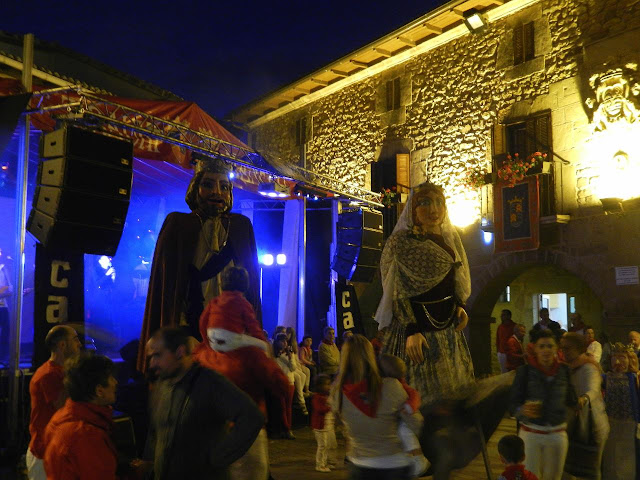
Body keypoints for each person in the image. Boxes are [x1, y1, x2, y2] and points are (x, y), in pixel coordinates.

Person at [137, 155, 261, 370]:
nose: (217, 192)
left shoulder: (241, 227)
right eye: (208, 185)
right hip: (190, 324)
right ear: (195, 189)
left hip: (230, 327)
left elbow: (251, 284)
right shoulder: (179, 224)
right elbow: (168, 285)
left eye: (224, 187)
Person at [374, 181, 473, 406]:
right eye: (425, 203)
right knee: (416, 391)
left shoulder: (448, 239)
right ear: (413, 209)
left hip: (447, 327)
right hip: (416, 327)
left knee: (452, 392)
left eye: (439, 202)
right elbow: (397, 289)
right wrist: (411, 329)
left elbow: (452, 276)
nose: (434, 209)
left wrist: (460, 305)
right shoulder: (401, 243)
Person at [144, 327, 264, 479]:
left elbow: (251, 416)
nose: (152, 364)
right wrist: (150, 464)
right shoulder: (162, 385)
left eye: (157, 355)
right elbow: (155, 431)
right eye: (151, 357)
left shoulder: (210, 382)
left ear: (180, 352)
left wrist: (218, 458)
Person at [193, 304, 292, 479]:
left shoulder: (201, 353)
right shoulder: (250, 354)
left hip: (212, 433)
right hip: (247, 433)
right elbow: (283, 386)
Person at [331, 335, 423, 479]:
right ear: (371, 356)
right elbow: (417, 424)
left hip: (358, 465)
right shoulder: (391, 386)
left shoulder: (337, 392)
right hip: (393, 465)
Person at [509, 329, 577, 480]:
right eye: (541, 346)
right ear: (534, 348)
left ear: (556, 348)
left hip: (557, 434)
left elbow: (572, 400)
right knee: (531, 476)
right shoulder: (524, 372)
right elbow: (512, 405)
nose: (546, 350)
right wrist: (522, 410)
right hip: (531, 434)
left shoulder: (564, 370)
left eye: (550, 346)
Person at [43, 353, 120, 480]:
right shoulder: (85, 435)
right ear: (99, 391)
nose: (115, 382)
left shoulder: (62, 417)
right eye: (111, 378)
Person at [26, 325, 81, 480]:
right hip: (44, 454)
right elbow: (65, 409)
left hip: (53, 450)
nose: (79, 344)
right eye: (75, 339)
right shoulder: (49, 374)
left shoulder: (58, 372)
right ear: (62, 345)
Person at [560, 333, 609, 480]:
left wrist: (583, 399)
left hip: (592, 425)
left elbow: (593, 388)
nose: (564, 351)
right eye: (562, 348)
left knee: (591, 470)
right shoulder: (568, 367)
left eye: (568, 348)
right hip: (575, 424)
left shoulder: (588, 367)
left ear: (578, 348)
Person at [377, 353, 430, 478]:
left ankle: (419, 460)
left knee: (405, 433)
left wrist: (409, 406)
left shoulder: (399, 384)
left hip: (404, 420)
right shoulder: (383, 384)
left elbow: (414, 394)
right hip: (394, 420)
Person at [199, 266, 267, 352]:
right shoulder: (242, 302)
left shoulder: (215, 301)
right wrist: (262, 340)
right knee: (263, 346)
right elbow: (253, 325)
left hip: (212, 339)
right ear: (244, 283)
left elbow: (202, 321)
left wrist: (207, 342)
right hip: (231, 339)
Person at [602, 343, 640, 480]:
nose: (618, 361)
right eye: (615, 357)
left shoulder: (635, 378)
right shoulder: (606, 377)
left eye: (622, 357)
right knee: (610, 456)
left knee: (628, 457)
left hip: (630, 423)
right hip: (610, 422)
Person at [274, 333, 308, 415]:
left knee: (288, 407)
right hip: (279, 382)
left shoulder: (289, 353)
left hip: (289, 381)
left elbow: (293, 368)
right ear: (277, 342)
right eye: (282, 341)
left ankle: (301, 402)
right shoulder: (274, 354)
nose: (285, 343)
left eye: (286, 341)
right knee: (281, 407)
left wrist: (290, 358)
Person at [311, 375, 337, 473]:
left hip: (327, 425)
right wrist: (330, 407)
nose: (329, 386)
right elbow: (319, 409)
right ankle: (320, 465)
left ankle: (326, 463)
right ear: (319, 386)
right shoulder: (317, 397)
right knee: (322, 446)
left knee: (328, 445)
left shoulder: (326, 396)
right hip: (320, 427)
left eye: (329, 384)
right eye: (326, 384)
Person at [286, 326, 311, 395]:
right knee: (301, 376)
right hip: (291, 366)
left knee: (306, 372)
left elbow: (296, 358)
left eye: (289, 333)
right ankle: (300, 393)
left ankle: (305, 390)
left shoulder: (294, 345)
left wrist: (299, 365)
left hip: (296, 364)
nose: (287, 335)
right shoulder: (286, 345)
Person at [0, 247, 13, 364]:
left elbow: (10, 288)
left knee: (5, 332)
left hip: (3, 306)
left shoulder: (4, 269)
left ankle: (3, 358)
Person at [497, 309, 517, 374]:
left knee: (512, 371)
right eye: (501, 315)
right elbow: (498, 339)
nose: (501, 316)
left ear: (509, 316)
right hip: (502, 352)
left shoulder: (514, 326)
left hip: (511, 353)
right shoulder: (500, 327)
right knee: (503, 371)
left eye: (503, 315)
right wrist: (498, 351)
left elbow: (518, 339)